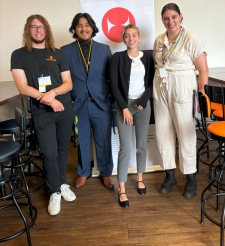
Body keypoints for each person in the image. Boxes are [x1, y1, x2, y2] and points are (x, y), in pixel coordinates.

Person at [11, 14, 76, 216]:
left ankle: (62, 184)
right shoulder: (19, 55)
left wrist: (54, 93)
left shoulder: (57, 53)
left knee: (63, 148)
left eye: (41, 27)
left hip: (64, 108)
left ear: (46, 30)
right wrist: (48, 99)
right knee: (49, 152)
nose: (38, 30)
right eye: (34, 27)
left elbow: (68, 83)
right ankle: (54, 191)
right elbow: (23, 87)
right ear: (27, 30)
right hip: (42, 111)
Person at [153, 3, 208, 199]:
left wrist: (202, 95)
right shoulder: (159, 39)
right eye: (166, 18)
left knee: (185, 133)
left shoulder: (190, 38)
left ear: (180, 17)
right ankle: (169, 174)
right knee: (162, 131)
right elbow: (159, 63)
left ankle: (190, 176)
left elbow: (203, 70)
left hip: (183, 87)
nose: (170, 21)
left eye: (174, 17)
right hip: (161, 87)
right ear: (162, 20)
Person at [61, 13, 114, 189]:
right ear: (74, 29)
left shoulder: (104, 49)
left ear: (92, 27)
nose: (84, 29)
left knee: (103, 139)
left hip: (101, 102)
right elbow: (63, 79)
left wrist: (110, 98)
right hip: (79, 103)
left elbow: (110, 78)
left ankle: (106, 172)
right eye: (79, 26)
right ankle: (83, 172)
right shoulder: (65, 51)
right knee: (82, 139)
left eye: (87, 25)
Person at [110, 24, 155, 208]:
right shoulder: (117, 58)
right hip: (124, 105)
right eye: (127, 35)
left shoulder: (148, 58)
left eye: (134, 35)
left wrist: (144, 100)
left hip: (143, 105)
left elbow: (152, 82)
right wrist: (124, 108)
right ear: (123, 39)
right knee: (125, 147)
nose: (131, 38)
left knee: (141, 145)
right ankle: (121, 188)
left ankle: (140, 178)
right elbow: (113, 85)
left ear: (138, 37)